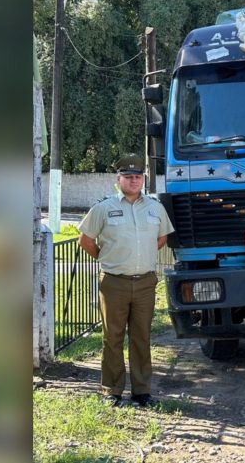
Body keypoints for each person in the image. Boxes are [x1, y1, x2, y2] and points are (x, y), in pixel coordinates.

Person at [78, 154, 175, 407]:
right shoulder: (103, 208)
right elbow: (85, 240)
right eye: (129, 177)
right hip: (114, 283)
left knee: (141, 336)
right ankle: (112, 390)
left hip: (145, 282)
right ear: (118, 179)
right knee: (113, 337)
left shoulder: (155, 208)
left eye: (138, 177)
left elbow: (162, 238)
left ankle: (142, 391)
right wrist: (107, 257)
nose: (134, 181)